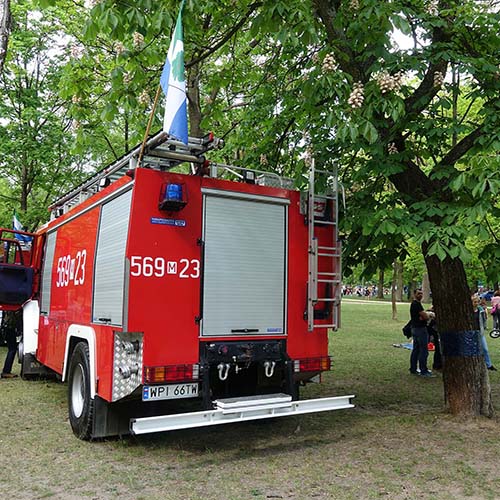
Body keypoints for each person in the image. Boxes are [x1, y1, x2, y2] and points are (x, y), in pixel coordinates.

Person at [409, 289, 434, 377]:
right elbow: (425, 316)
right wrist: (427, 315)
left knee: (416, 349)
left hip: (415, 329)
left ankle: (413, 368)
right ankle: (424, 370)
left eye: (421, 293)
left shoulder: (415, 304)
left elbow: (422, 316)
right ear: (414, 294)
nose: (420, 295)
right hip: (420, 329)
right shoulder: (416, 304)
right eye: (418, 293)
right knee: (424, 350)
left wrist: (424, 316)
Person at [472, 296, 497, 371]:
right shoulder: (468, 311)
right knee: (474, 350)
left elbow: (484, 319)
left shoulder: (480, 310)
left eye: (477, 302)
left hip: (480, 332)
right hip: (471, 333)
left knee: (485, 349)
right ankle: (476, 365)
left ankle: (488, 365)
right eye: (474, 302)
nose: (476, 303)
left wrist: (484, 327)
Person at [1, 309, 22, 379]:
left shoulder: (8, 305)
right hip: (10, 328)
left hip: (7, 328)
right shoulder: (13, 308)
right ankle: (6, 371)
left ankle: (6, 371)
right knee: (12, 349)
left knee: (12, 349)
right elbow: (13, 320)